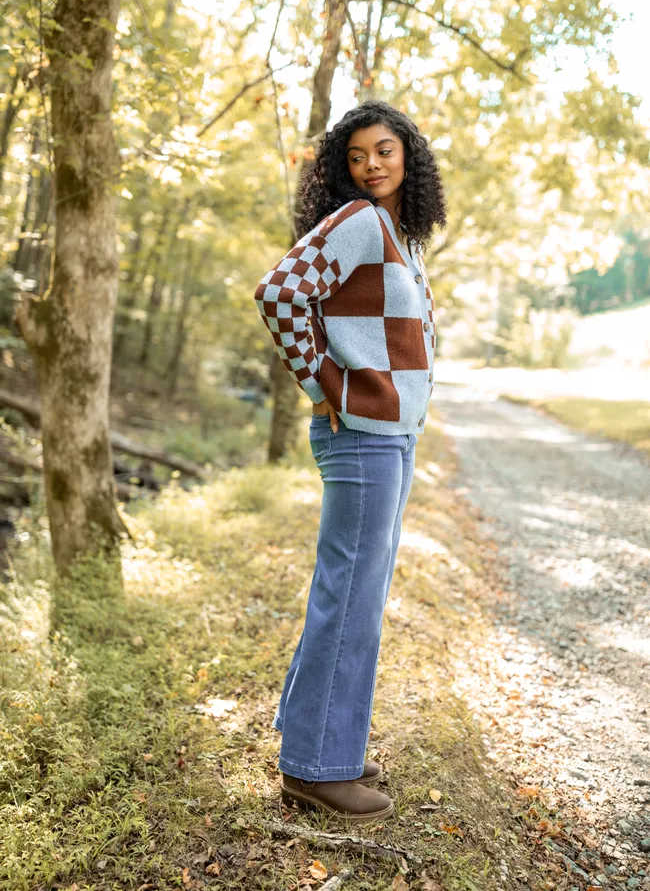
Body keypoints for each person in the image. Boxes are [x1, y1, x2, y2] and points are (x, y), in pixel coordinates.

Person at [253, 99, 447, 821]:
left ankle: (319, 738)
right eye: (358, 155)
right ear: (343, 165)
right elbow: (279, 294)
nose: (371, 165)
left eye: (385, 151)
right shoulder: (359, 221)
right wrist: (325, 384)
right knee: (352, 597)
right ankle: (316, 767)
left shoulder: (396, 231)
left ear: (409, 156)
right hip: (363, 433)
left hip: (391, 433)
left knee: (355, 589)